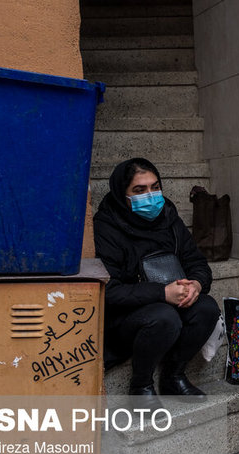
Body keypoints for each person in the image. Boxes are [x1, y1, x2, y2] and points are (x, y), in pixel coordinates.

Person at [94, 157, 221, 408]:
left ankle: (174, 375)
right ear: (122, 194)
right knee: (164, 316)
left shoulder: (168, 217)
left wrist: (195, 284)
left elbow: (197, 262)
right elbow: (109, 290)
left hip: (170, 302)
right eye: (139, 190)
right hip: (127, 316)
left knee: (207, 307)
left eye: (154, 187)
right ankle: (140, 386)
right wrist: (162, 293)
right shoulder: (105, 227)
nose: (150, 196)